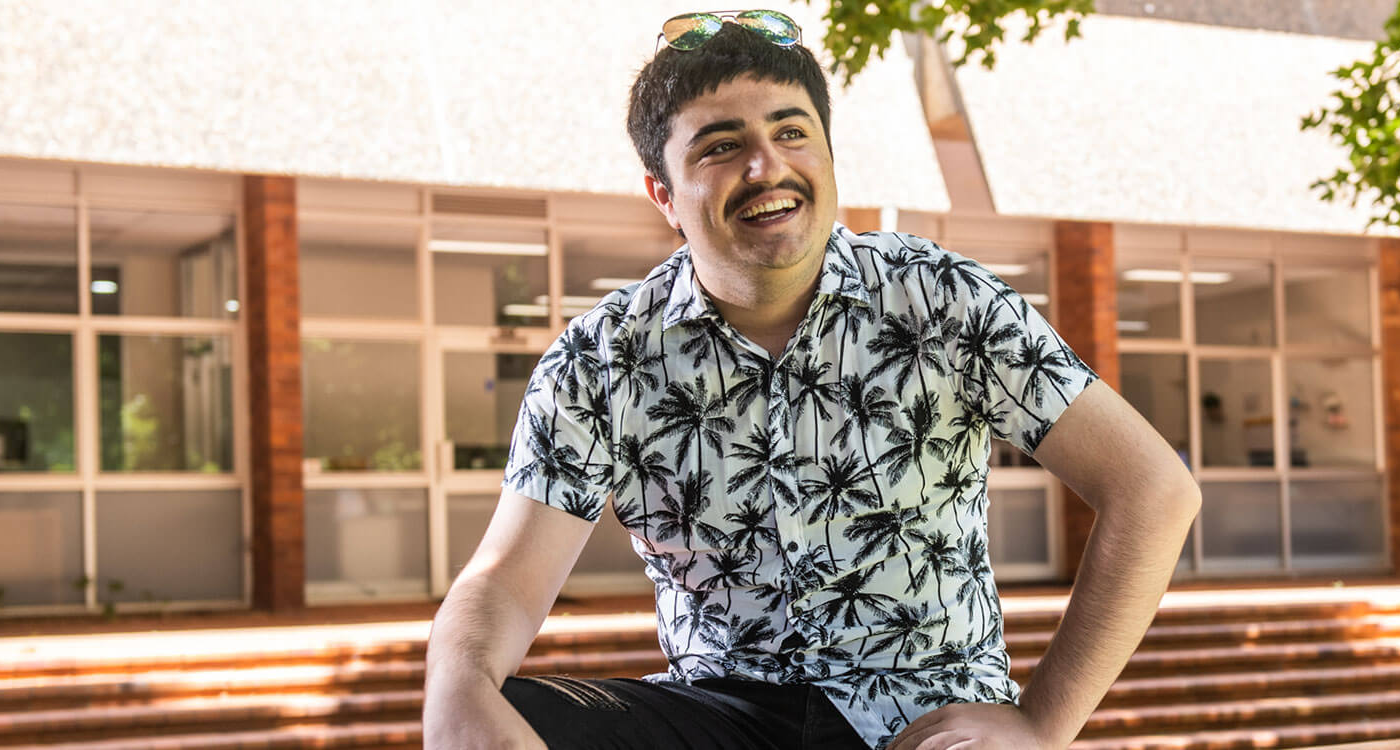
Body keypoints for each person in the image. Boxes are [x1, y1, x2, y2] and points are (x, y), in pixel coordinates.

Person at [421, 9, 1198, 749]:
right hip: (719, 710)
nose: (767, 166)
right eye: (721, 146)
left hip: (928, 714)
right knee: (500, 717)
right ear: (664, 195)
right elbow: (506, 580)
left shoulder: (940, 297)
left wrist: (1041, 724)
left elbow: (1155, 489)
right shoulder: (603, 358)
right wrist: (455, 685)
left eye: (791, 132)